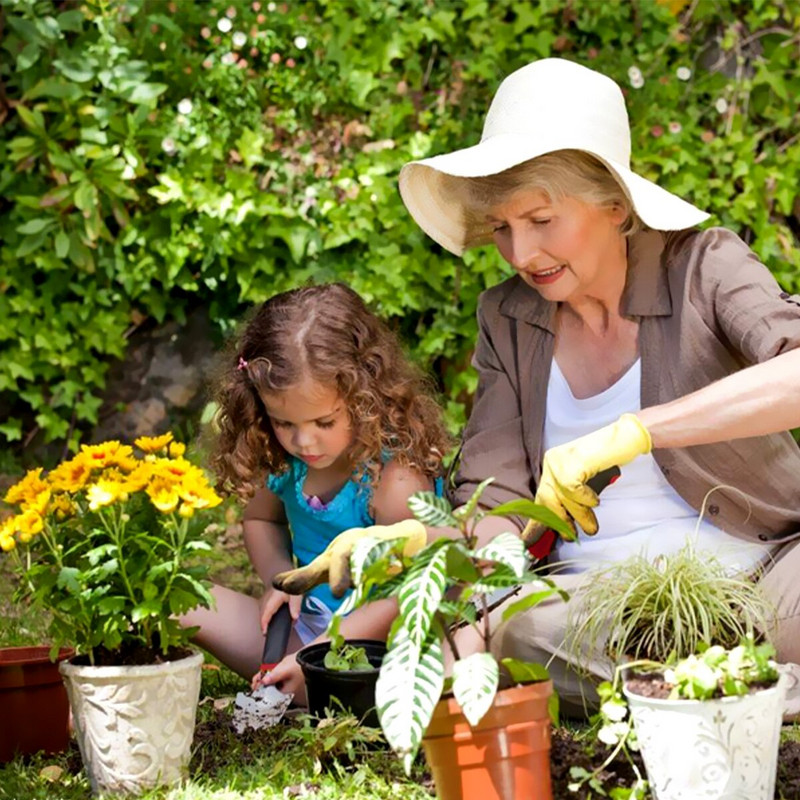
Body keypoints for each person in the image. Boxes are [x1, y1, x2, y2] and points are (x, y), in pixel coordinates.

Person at [275, 58, 800, 715]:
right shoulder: (508, 318)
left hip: (763, 582)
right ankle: (740, 688)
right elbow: (497, 505)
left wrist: (636, 431)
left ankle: (688, 689)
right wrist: (440, 560)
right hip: (600, 614)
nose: (521, 254)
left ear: (615, 205)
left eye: (541, 219)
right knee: (521, 630)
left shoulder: (703, 266)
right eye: (501, 228)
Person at [182, 284, 450, 701]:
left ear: (365, 397)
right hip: (302, 635)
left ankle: (302, 689)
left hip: (377, 652)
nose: (304, 442)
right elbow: (260, 518)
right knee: (181, 598)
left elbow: (409, 596)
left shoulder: (393, 477)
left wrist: (316, 656)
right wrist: (279, 582)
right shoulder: (285, 460)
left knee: (332, 682)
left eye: (324, 422)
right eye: (284, 422)